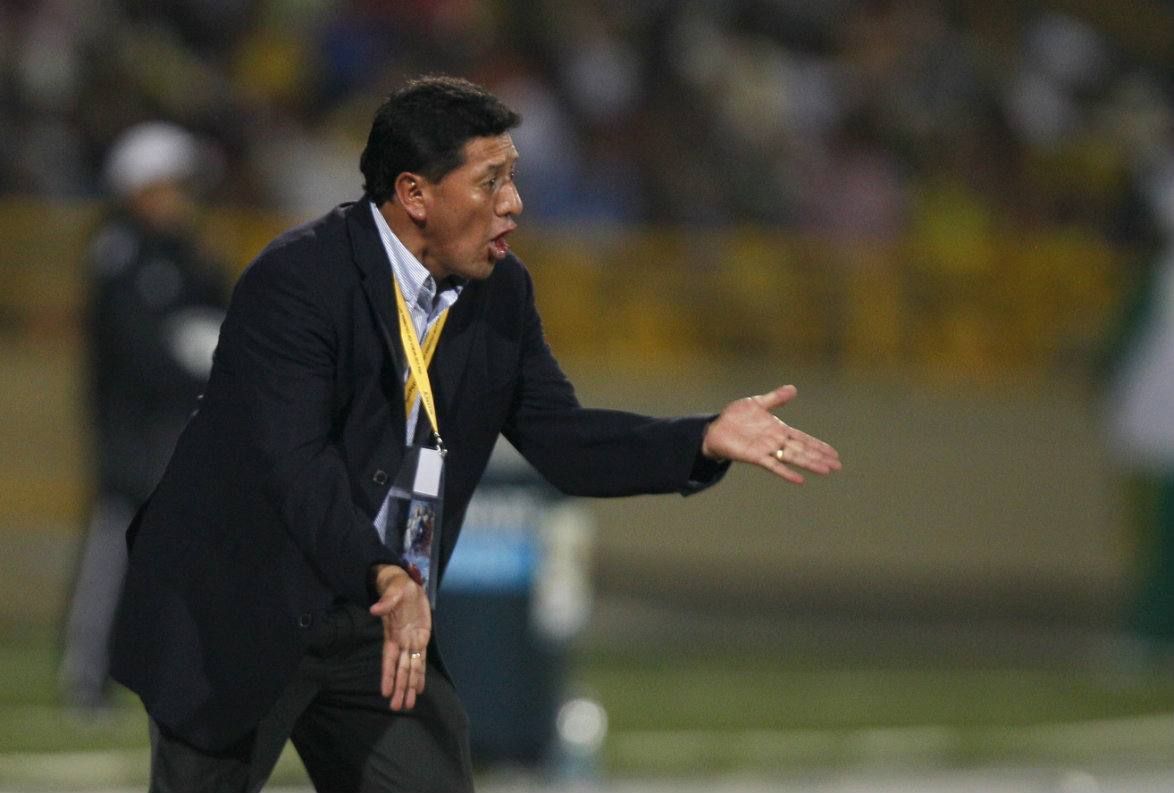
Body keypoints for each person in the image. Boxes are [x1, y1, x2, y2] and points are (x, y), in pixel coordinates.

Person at [110, 76, 841, 792]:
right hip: (243, 598)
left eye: (510, 178)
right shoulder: (298, 279)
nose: (513, 203)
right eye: (490, 182)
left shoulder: (501, 293)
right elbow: (294, 465)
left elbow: (564, 440)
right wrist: (384, 572)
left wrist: (702, 438)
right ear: (414, 194)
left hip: (374, 616)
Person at [60, 121, 226, 711]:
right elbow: (135, 348)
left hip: (183, 428)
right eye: (169, 186)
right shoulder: (120, 253)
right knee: (114, 550)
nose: (181, 199)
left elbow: (226, 323)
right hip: (132, 429)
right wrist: (188, 353)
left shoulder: (191, 254)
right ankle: (87, 674)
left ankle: (171, 669)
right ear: (138, 188)